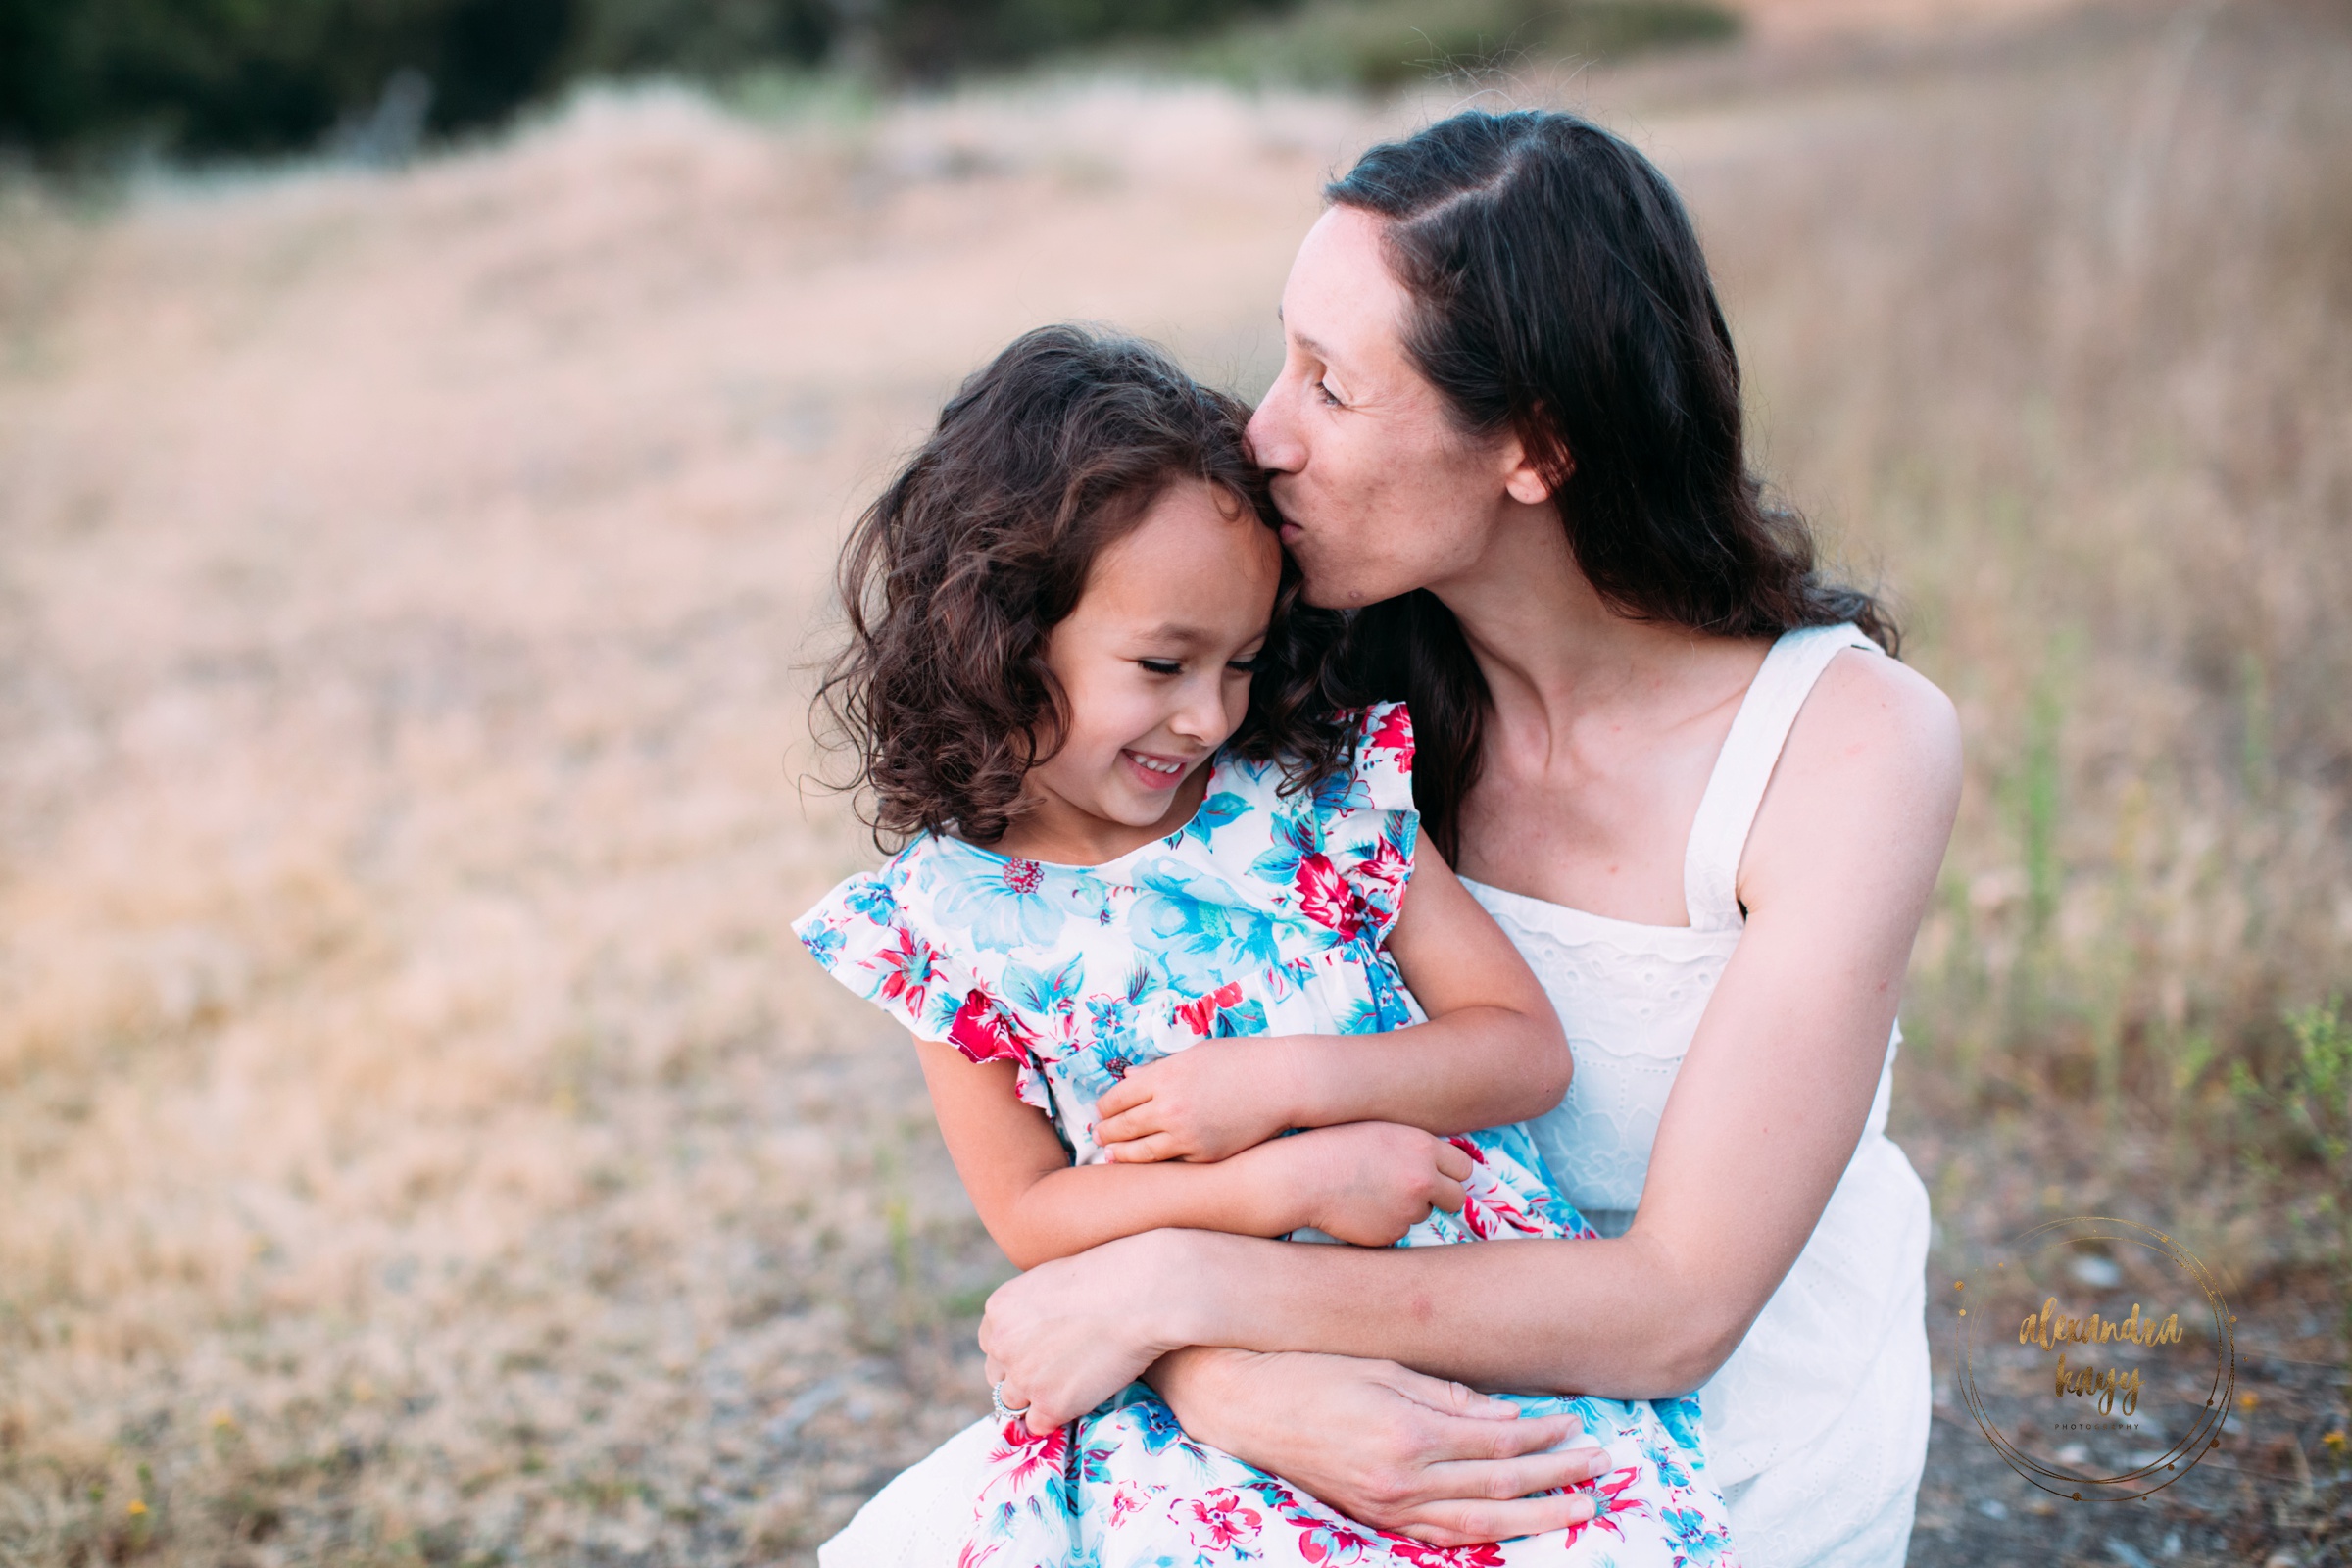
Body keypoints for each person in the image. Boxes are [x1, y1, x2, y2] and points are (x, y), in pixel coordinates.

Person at [906, 112, 1964, 1568]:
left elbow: (1673, 1312)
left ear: (1535, 447)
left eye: (1330, 388)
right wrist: (1225, 1379)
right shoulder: (1293, 698)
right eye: (1286, 355)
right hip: (1313, 1378)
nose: (1261, 434)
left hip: (1702, 1429)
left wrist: (1170, 1298)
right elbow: (1101, 1103)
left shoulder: (1850, 748)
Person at [797, 323, 1742, 1565]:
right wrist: (1278, 1186)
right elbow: (1032, 1210)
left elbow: (1521, 1050)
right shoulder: (941, 928)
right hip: (1195, 1365)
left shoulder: (1311, 795)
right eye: (1160, 663)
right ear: (1008, 631)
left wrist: (1286, 1085)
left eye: (1240, 661)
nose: (1207, 714)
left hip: (1451, 1285)